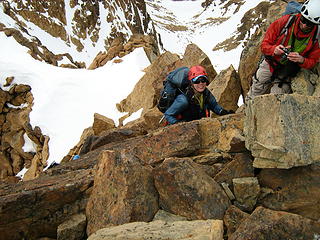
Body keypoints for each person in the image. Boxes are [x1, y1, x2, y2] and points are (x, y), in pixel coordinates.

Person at [247, 0, 320, 99]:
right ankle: (248, 110)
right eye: (303, 20)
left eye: (309, 24)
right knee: (257, 88)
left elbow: (313, 61)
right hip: (271, 62)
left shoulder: (316, 36)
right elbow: (264, 45)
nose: (304, 25)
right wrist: (274, 50)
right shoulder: (285, 22)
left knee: (276, 98)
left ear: (315, 24)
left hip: (288, 71)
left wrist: (302, 60)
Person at [164, 65, 234, 125]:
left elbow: (214, 106)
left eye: (203, 80)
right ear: (191, 82)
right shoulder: (183, 100)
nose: (200, 83)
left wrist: (223, 112)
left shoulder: (206, 93)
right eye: (197, 81)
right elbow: (168, 115)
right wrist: (179, 124)